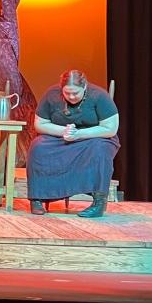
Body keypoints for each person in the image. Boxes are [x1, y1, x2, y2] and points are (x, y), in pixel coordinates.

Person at [27, 70, 119, 218]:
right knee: (38, 147)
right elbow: (40, 124)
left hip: (93, 137)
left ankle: (99, 203)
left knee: (100, 150)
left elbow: (110, 128)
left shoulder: (99, 96)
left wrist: (79, 134)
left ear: (85, 87)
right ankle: (37, 198)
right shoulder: (51, 94)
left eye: (75, 93)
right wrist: (64, 131)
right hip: (60, 137)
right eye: (67, 93)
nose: (71, 97)